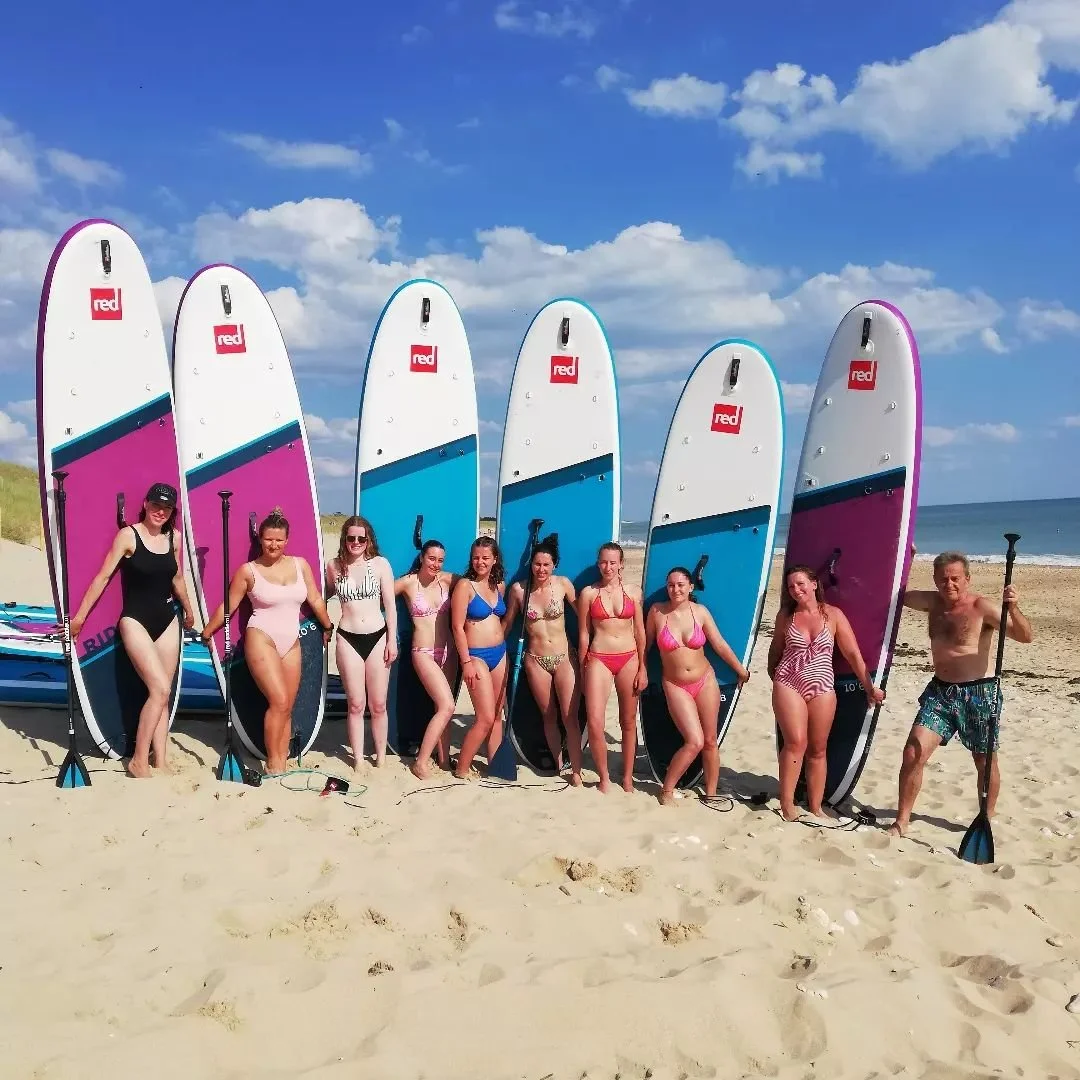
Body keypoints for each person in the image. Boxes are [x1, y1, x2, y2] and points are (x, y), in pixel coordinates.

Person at [888, 550, 1034, 837]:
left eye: (955, 578)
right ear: (935, 580)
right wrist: (907, 556)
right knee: (913, 752)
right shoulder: (931, 603)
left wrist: (1014, 608)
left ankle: (985, 818)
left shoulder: (982, 607)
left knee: (984, 761)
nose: (949, 584)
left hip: (979, 693)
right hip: (940, 692)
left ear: (967, 578)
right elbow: (897, 592)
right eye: (943, 579)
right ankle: (902, 820)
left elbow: (1025, 636)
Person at [70, 482, 195, 778]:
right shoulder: (128, 535)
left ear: (172, 511)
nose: (160, 511)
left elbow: (177, 577)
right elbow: (103, 577)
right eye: (156, 505)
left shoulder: (174, 538)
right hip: (135, 620)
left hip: (168, 619)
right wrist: (80, 617)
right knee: (159, 689)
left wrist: (189, 609)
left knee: (163, 694)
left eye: (166, 508)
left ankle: (160, 760)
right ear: (145, 504)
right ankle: (139, 760)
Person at [202, 508, 332, 776]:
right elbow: (228, 606)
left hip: (292, 640)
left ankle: (281, 762)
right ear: (260, 539)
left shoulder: (300, 565)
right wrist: (208, 631)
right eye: (269, 539)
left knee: (287, 706)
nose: (274, 545)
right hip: (261, 637)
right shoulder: (249, 571)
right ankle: (273, 765)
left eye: (279, 540)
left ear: (287, 540)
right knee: (279, 701)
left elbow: (315, 599)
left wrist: (328, 625)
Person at [767, 564, 884, 821]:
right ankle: (787, 805)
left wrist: (869, 687)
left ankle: (816, 807)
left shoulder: (833, 615)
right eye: (791, 586)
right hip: (789, 682)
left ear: (814, 584)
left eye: (800, 584)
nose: (796, 589)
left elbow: (852, 654)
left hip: (822, 686)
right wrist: (773, 676)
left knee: (818, 749)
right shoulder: (786, 616)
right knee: (796, 743)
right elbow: (775, 649)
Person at [644, 566, 749, 805]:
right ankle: (667, 790)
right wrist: (641, 670)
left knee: (710, 741)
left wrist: (740, 670)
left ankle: (711, 793)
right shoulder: (657, 612)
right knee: (695, 741)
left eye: (681, 585)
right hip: (675, 684)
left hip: (705, 680)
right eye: (671, 585)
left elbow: (719, 643)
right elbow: (645, 646)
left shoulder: (700, 612)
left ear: (690, 587)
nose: (675, 589)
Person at [503, 534, 583, 784]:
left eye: (546, 564)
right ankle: (558, 765)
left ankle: (576, 771)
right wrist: (490, 646)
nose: (541, 569)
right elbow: (508, 623)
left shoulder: (563, 585)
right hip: (535, 660)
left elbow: (584, 616)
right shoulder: (519, 590)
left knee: (569, 717)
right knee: (548, 715)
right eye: (537, 564)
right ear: (531, 564)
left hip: (564, 657)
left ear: (554, 565)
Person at [325, 516, 398, 770]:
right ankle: (357, 760)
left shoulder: (380, 564)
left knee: (378, 704)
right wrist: (324, 625)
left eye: (361, 538)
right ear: (344, 539)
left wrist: (392, 640)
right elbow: (321, 596)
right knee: (356, 704)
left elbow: (390, 606)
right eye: (351, 538)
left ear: (369, 540)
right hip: (347, 638)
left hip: (378, 637)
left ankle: (380, 758)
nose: (356, 542)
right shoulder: (334, 566)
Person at [577, 542, 646, 793]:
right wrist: (583, 668)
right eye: (604, 562)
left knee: (628, 721)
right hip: (599, 658)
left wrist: (643, 667)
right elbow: (584, 633)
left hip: (629, 658)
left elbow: (640, 632)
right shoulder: (588, 594)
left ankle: (627, 777)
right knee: (595, 722)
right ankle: (604, 777)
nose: (608, 567)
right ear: (598, 564)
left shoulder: (634, 592)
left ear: (621, 564)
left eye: (613, 562)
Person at [394, 539, 459, 779]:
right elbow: (378, 596)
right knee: (447, 706)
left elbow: (476, 585)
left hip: (448, 652)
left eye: (440, 560)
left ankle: (443, 759)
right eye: (431, 558)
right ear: (422, 557)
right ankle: (421, 762)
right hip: (423, 652)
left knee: (443, 710)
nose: (435, 564)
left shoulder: (449, 580)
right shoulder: (408, 583)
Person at [449, 536, 508, 778]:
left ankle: (495, 765)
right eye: (475, 557)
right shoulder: (465, 586)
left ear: (495, 559)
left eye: (485, 558)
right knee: (485, 718)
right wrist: (466, 662)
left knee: (497, 715)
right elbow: (457, 627)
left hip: (500, 653)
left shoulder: (498, 585)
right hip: (476, 657)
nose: (480, 562)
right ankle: (462, 768)